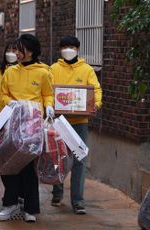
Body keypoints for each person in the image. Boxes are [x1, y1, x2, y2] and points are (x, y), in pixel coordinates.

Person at [0, 34, 55, 223]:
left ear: (30, 50)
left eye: (19, 49)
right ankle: (10, 203)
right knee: (10, 164)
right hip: (13, 123)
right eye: (14, 49)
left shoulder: (43, 72)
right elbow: (3, 94)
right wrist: (11, 103)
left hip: (33, 125)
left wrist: (49, 105)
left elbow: (48, 94)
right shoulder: (10, 72)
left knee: (30, 168)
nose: (15, 53)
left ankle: (30, 208)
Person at [50, 35, 102, 215]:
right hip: (59, 122)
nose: (68, 50)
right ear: (60, 50)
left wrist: (96, 103)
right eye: (65, 47)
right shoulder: (53, 69)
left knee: (79, 160)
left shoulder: (87, 69)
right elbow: (48, 90)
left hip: (80, 123)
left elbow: (95, 89)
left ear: (77, 49)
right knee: (58, 158)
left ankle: (78, 201)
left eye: (71, 47)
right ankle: (57, 192)